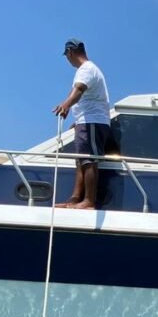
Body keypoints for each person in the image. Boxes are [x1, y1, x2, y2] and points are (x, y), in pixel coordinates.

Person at [53, 38, 111, 209]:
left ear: (70, 52)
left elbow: (79, 89)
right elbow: (77, 91)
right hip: (86, 121)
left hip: (93, 121)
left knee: (88, 160)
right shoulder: (87, 69)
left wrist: (66, 105)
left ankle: (89, 201)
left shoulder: (86, 69)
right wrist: (77, 120)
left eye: (66, 55)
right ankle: (75, 198)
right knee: (81, 161)